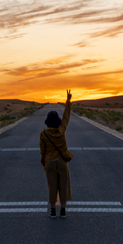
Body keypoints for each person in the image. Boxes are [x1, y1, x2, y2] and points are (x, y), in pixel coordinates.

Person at [40, 89, 72, 218]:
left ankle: (53, 210)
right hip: (62, 162)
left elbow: (42, 150)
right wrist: (68, 102)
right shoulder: (61, 130)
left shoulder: (43, 134)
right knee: (64, 185)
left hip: (50, 162)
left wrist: (44, 160)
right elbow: (66, 117)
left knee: (51, 186)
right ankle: (63, 210)